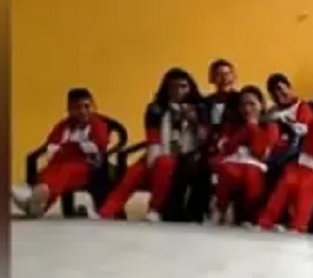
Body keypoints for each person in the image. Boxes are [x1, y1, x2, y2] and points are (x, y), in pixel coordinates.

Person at [97, 69, 206, 221]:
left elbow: (205, 138)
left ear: (191, 88)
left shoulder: (201, 108)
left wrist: (194, 121)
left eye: (183, 86)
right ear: (166, 89)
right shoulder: (156, 108)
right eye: (173, 87)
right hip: (159, 151)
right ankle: (106, 211)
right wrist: (151, 160)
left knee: (164, 163)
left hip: (188, 157)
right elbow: (153, 139)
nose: (178, 91)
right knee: (134, 173)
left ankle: (155, 209)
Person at [11, 88, 110, 218]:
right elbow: (51, 144)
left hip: (84, 164)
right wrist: (62, 147)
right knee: (48, 173)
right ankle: (37, 202)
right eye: (77, 107)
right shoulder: (64, 125)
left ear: (92, 106)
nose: (83, 111)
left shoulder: (97, 124)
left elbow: (100, 145)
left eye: (86, 106)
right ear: (69, 110)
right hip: (59, 161)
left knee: (63, 173)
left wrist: (70, 146)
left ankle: (36, 202)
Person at [257, 83, 313, 233]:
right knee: (288, 179)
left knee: (307, 185)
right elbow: (308, 155)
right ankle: (265, 221)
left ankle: (299, 225)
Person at [211, 86, 279, 226]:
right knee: (227, 169)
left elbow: (262, 154)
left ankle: (249, 216)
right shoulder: (231, 125)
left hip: (256, 164)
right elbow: (226, 148)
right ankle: (220, 210)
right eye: (243, 104)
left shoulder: (271, 126)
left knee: (250, 173)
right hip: (232, 161)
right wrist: (244, 130)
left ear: (261, 105)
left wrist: (253, 128)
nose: (247, 109)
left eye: (252, 104)